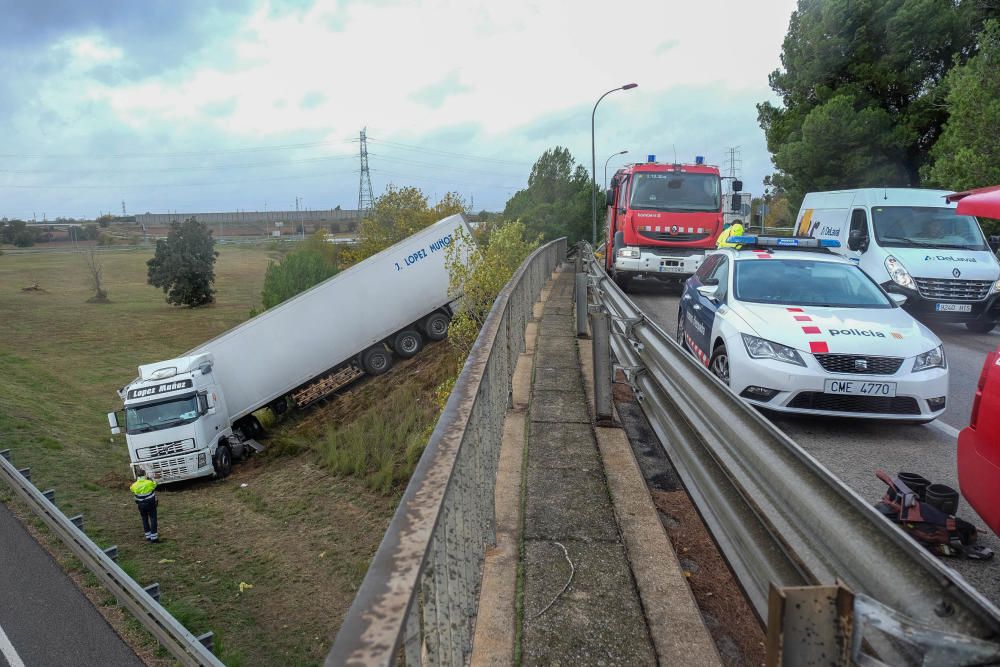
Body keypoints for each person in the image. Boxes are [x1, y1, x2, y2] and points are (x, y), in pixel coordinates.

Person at [130, 469, 159, 543]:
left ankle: (148, 536)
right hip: (150, 503)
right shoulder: (149, 483)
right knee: (153, 519)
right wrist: (151, 479)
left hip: (141, 505)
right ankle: (154, 538)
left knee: (144, 519)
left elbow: (132, 490)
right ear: (145, 474)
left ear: (137, 476)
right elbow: (155, 484)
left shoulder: (134, 485)